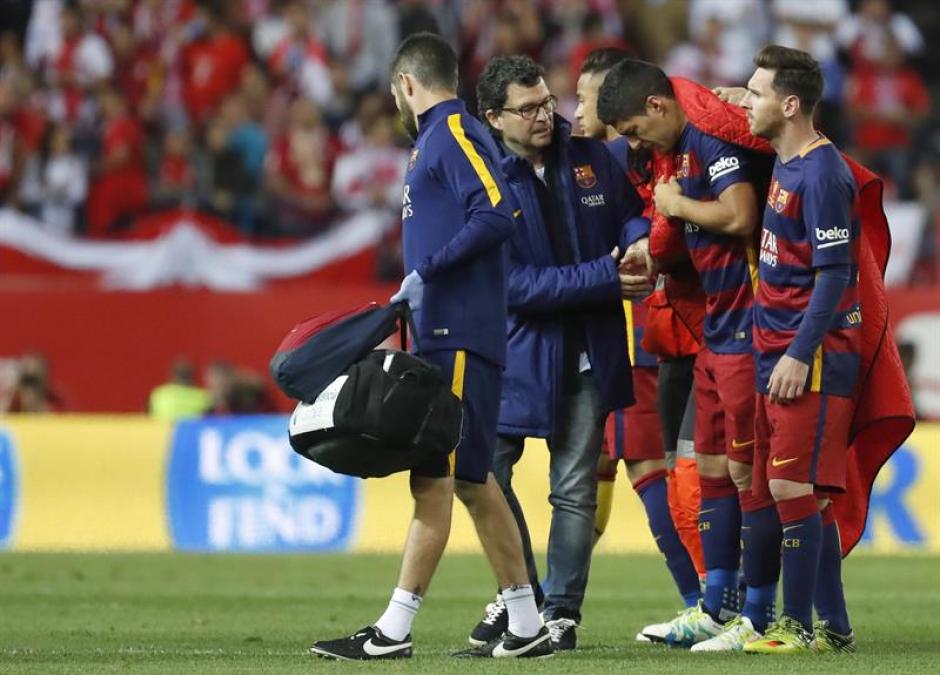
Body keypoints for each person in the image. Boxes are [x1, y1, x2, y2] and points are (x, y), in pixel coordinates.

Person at [309, 33, 551, 661]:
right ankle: (525, 622)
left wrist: (430, 271)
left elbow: (497, 213)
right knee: (473, 479)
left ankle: (394, 630)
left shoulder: (453, 133)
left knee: (437, 481)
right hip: (449, 333)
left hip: (460, 335)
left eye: (395, 90)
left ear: (408, 84)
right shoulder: (434, 143)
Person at [463, 54, 651, 652]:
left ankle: (561, 615)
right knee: (486, 474)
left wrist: (638, 239)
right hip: (514, 357)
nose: (546, 116)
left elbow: (628, 214)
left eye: (547, 101)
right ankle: (527, 597)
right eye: (529, 108)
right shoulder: (482, 182)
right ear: (494, 118)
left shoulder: (592, 156)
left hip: (588, 351)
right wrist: (605, 275)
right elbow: (514, 288)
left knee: (573, 490)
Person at [598, 59, 780, 650]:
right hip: (714, 337)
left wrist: (676, 207)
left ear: (656, 106)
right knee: (710, 472)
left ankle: (756, 615)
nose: (631, 144)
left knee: (748, 476)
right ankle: (714, 607)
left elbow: (740, 214)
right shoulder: (673, 156)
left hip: (748, 332)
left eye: (630, 129)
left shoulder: (705, 141)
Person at [574, 48, 704, 630]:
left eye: (586, 99)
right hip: (626, 333)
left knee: (647, 462)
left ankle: (704, 600)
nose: (579, 111)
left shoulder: (615, 159)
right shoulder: (618, 160)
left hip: (649, 333)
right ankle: (552, 598)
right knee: (602, 458)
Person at [739, 44, 860, 655]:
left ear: (789, 105)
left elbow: (834, 276)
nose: (746, 100)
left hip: (803, 358)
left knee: (789, 490)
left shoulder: (821, 173)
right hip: (773, 350)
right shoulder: (785, 160)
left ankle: (798, 627)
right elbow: (747, 106)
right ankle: (834, 627)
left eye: (756, 92)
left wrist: (796, 353)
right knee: (796, 492)